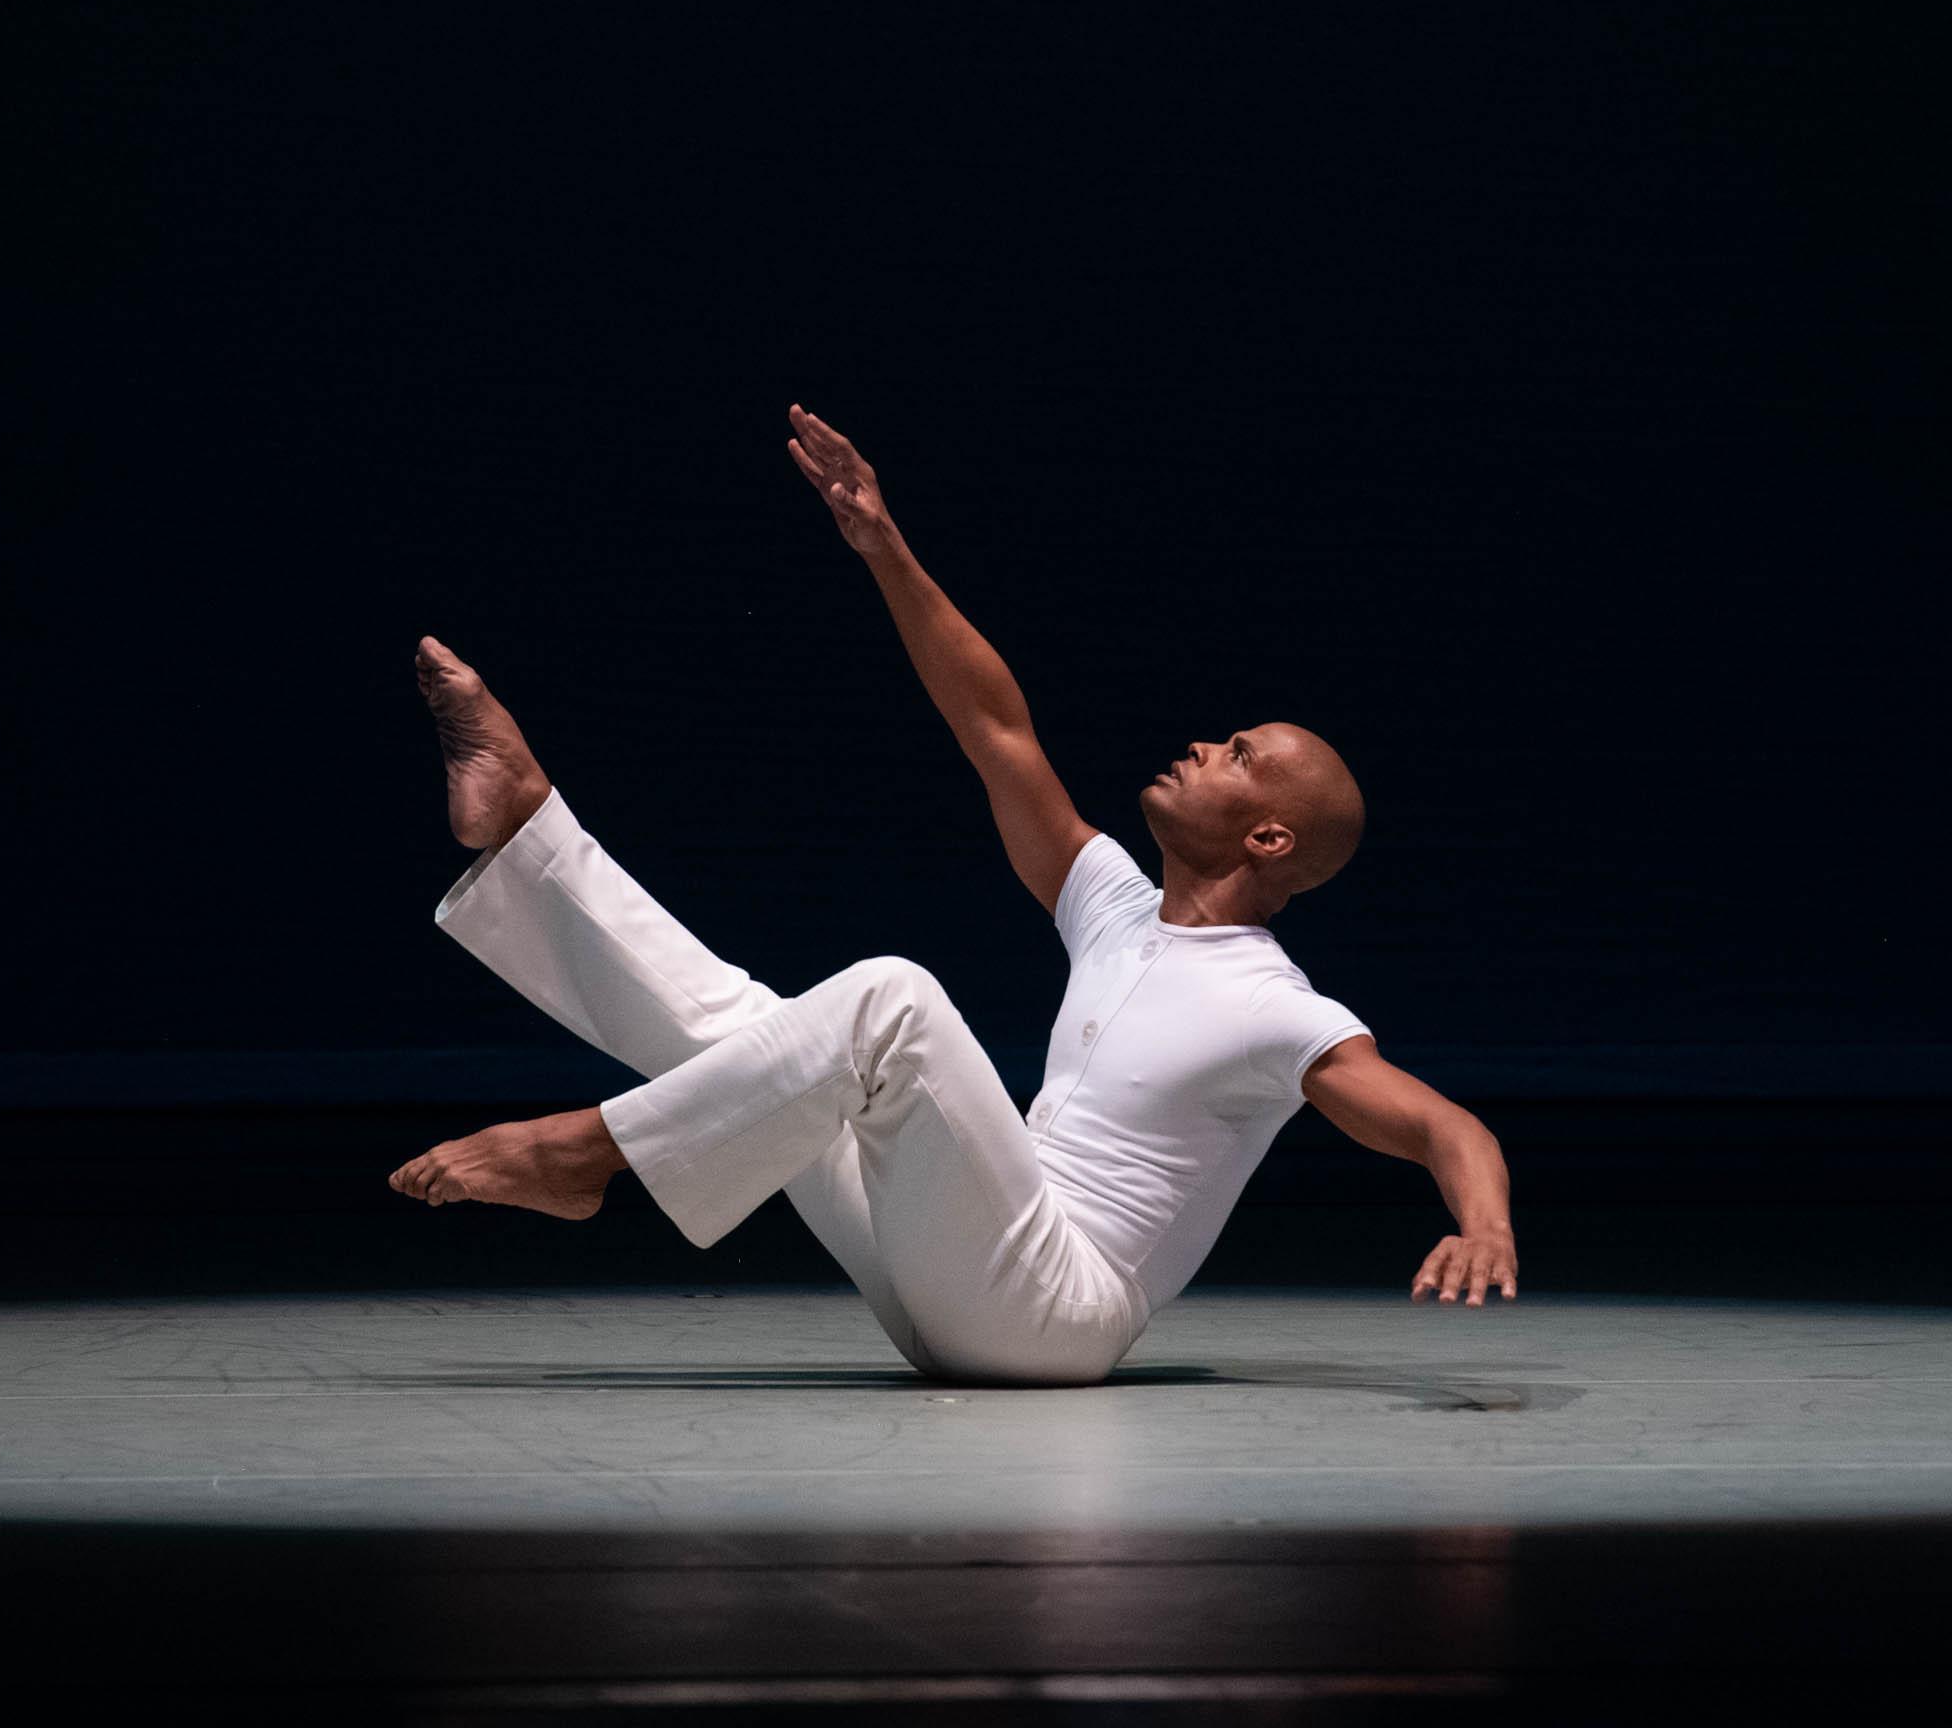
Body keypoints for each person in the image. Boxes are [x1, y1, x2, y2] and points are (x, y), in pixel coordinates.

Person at [390, 404, 1517, 1385]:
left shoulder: (1277, 1005)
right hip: (960, 1273)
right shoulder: (1117, 905)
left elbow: (1437, 1120)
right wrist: (883, 542)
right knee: (761, 1028)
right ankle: (530, 831)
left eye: (1237, 749)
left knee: (893, 999)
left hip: (1057, 1313)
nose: (1200, 743)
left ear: (1269, 834)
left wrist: (1485, 1223)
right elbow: (996, 727)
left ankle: (585, 1154)